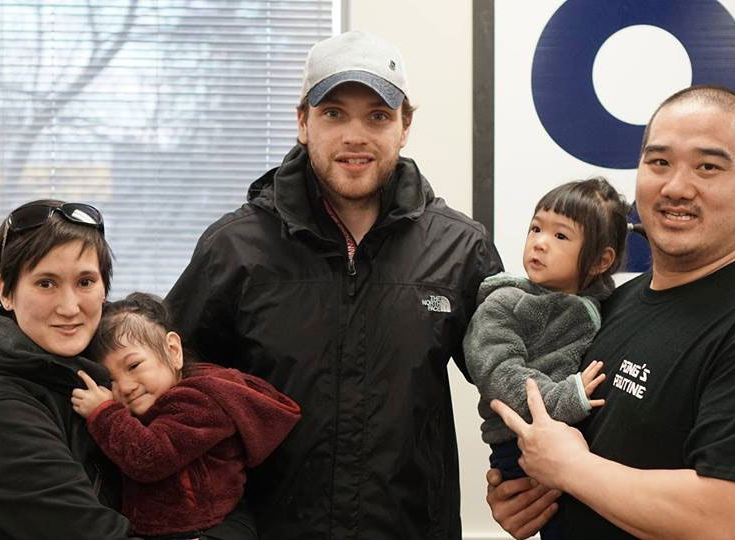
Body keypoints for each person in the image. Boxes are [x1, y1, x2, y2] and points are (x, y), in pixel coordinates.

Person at [166, 30, 503, 538]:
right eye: (334, 113)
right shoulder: (234, 249)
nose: (355, 136)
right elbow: (166, 381)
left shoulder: (460, 249)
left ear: (405, 126)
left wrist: (521, 473)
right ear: (303, 122)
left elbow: (508, 375)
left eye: (378, 116)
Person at [487, 86, 735, 539]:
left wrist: (571, 469)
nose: (676, 187)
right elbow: (582, 461)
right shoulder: (612, 304)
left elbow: (730, 520)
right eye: (659, 163)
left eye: (708, 166)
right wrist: (530, 492)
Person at [0, 200, 255, 540]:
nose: (70, 307)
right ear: (5, 291)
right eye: (46, 283)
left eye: (85, 282)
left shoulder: (98, 379)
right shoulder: (2, 418)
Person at [464, 178, 628, 539]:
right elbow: (498, 375)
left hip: (575, 445)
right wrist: (566, 397)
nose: (539, 242)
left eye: (561, 236)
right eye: (536, 228)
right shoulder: (505, 303)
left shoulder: (606, 305)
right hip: (519, 447)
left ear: (602, 260)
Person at [70, 293, 301, 539]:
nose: (125, 386)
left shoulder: (201, 399)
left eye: (134, 366)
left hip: (202, 529)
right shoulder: (153, 402)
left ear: (173, 351)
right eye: (111, 379)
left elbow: (150, 456)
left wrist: (103, 413)